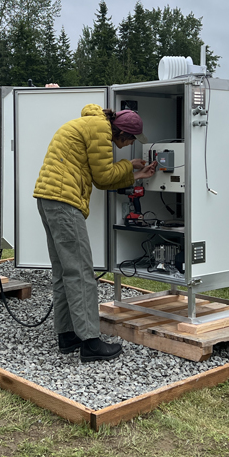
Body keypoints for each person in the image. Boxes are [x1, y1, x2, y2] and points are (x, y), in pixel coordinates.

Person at [33, 105, 156, 362]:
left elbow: (99, 174)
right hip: (65, 202)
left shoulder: (90, 124)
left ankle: (67, 335)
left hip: (49, 199)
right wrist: (129, 168)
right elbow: (103, 178)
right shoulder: (100, 129)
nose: (131, 144)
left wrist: (133, 172)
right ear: (121, 132)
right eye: (131, 139)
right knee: (81, 272)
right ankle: (90, 342)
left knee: (65, 271)